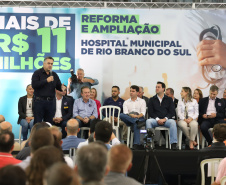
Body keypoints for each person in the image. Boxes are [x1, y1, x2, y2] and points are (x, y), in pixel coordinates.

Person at [146, 82, 178, 150]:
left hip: (166, 120)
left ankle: (173, 144)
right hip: (155, 120)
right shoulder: (152, 99)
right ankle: (149, 143)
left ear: (163, 89)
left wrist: (165, 119)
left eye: (158, 87)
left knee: (172, 122)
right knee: (148, 121)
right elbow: (150, 112)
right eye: (156, 87)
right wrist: (157, 119)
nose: (156, 88)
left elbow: (172, 112)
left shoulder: (169, 99)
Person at [32, 56, 62, 124]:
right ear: (44, 63)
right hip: (39, 102)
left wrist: (62, 88)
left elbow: (58, 87)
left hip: (51, 102)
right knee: (38, 123)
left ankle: (47, 135)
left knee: (49, 123)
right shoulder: (37, 73)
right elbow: (34, 85)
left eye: (51, 64)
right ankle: (37, 135)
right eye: (48, 63)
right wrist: (46, 81)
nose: (50, 65)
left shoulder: (54, 74)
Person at [120, 85, 146, 150]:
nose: (131, 92)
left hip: (139, 117)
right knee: (121, 115)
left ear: (137, 93)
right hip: (129, 117)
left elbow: (143, 113)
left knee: (136, 124)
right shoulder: (126, 102)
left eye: (133, 91)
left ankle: (136, 144)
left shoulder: (142, 101)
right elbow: (126, 113)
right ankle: (136, 144)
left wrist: (136, 116)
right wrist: (131, 116)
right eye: (130, 91)